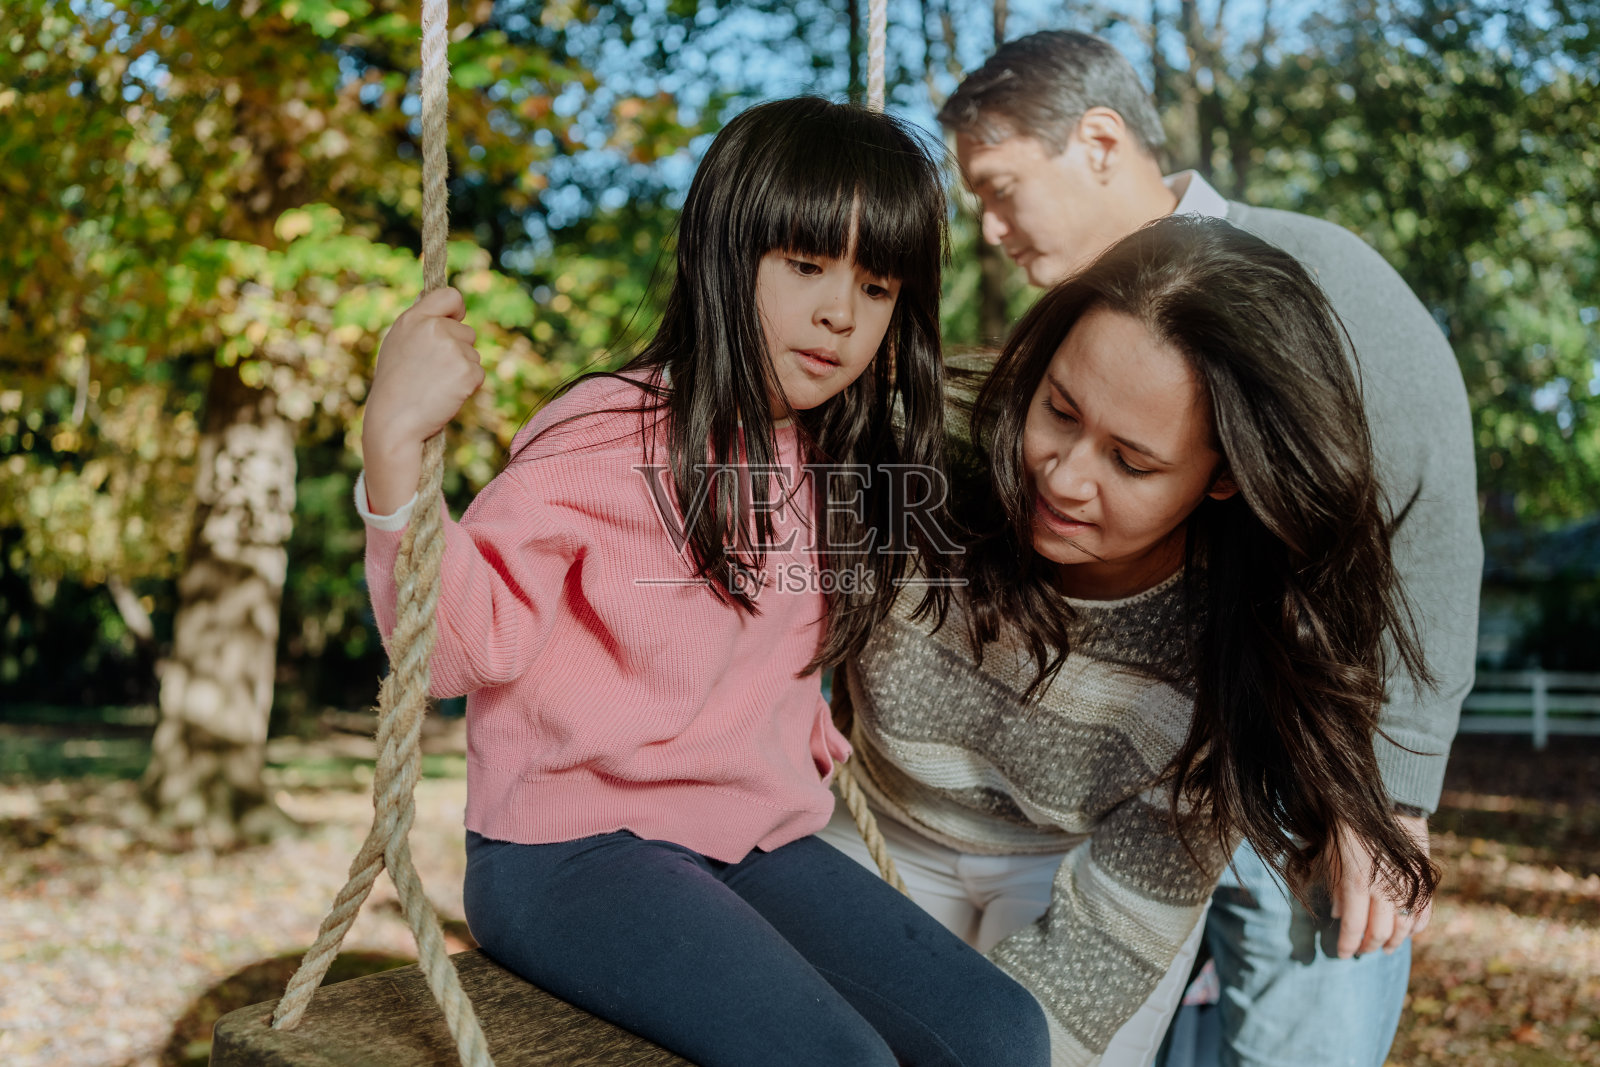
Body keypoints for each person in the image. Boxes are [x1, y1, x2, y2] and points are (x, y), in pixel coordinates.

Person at [353, 96, 1051, 1067]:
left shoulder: (832, 459)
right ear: (725, 255)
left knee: (998, 1031)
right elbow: (456, 648)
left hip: (750, 839)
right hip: (571, 850)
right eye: (804, 265)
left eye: (877, 285)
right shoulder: (608, 430)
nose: (839, 312)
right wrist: (392, 450)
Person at [926, 30, 1479, 1067]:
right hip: (1118, 780)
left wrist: (1389, 797)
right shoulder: (1080, 321)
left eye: (1001, 189)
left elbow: (1429, 520)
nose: (990, 227)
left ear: (1097, 141)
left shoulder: (1316, 276)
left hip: (1291, 785)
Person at [822, 213, 1442, 1067]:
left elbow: (1095, 958)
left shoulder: (1233, 645)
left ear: (1226, 473)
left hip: (1067, 872)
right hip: (869, 820)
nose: (1066, 476)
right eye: (1059, 410)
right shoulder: (915, 450)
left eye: (1132, 462)